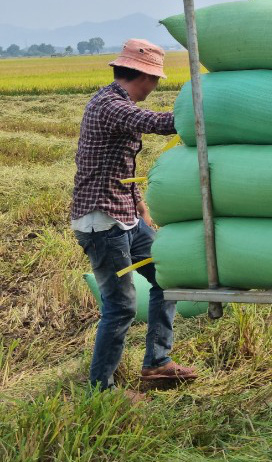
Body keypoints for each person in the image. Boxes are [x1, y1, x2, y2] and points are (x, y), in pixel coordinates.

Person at [70, 38, 197, 394]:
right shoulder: (110, 104)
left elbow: (119, 162)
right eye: (155, 79)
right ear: (142, 75)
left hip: (125, 215)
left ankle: (157, 363)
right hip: (101, 222)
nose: (156, 87)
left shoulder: (116, 104)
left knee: (169, 277)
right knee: (122, 305)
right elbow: (153, 122)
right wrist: (198, 113)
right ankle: (101, 389)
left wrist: (138, 202)